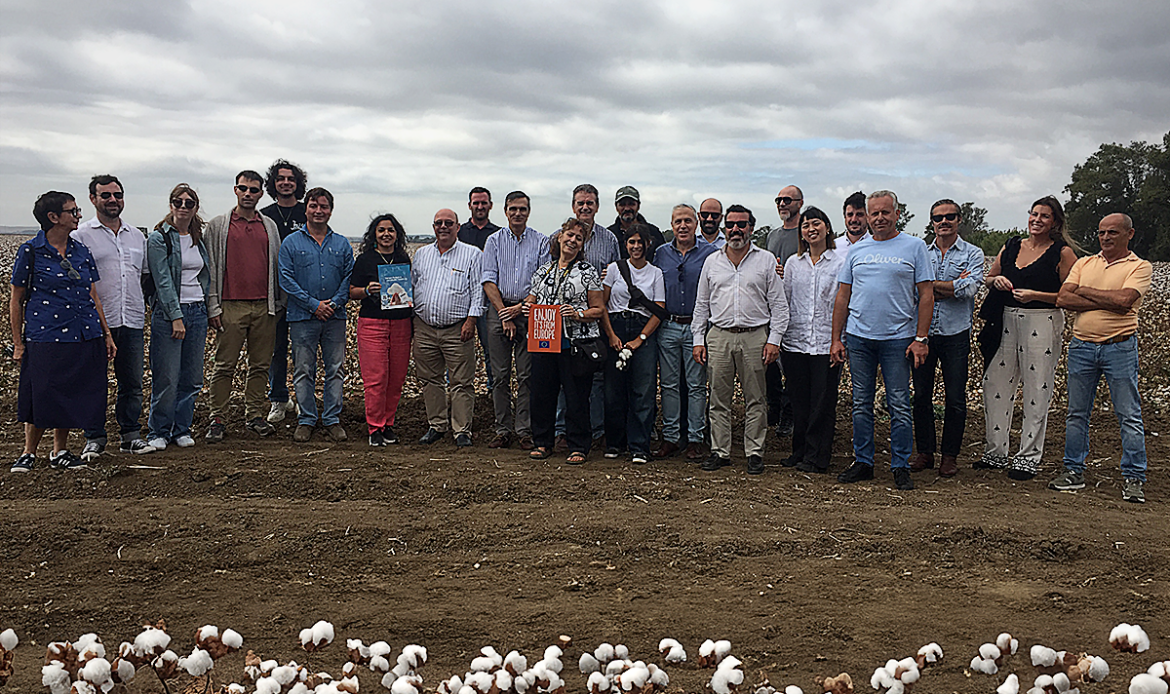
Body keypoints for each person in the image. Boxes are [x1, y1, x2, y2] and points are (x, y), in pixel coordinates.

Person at [830, 191, 934, 491]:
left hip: (897, 340)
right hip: (859, 338)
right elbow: (843, 296)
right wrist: (836, 339)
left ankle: (900, 465)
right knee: (861, 404)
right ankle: (863, 461)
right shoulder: (857, 251)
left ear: (897, 213)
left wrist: (921, 338)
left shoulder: (914, 247)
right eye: (873, 213)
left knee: (899, 404)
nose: (879, 218)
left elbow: (926, 296)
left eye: (884, 212)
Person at [10, 191, 116, 472]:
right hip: (45, 335)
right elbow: (16, 300)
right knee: (39, 393)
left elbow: (92, 294)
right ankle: (28, 453)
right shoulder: (31, 251)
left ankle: (61, 451)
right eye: (72, 211)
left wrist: (105, 333)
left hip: (83, 333)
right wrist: (18, 343)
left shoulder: (81, 251)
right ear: (53, 217)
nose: (77, 215)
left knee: (70, 392)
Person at [1049, 213, 1151, 503]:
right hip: (1082, 346)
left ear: (1129, 234)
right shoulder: (1085, 263)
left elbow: (1124, 302)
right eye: (1101, 232)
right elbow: (1063, 299)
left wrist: (1084, 291)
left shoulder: (1140, 267)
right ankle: (1073, 470)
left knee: (1128, 415)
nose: (1105, 238)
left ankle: (1134, 477)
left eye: (1113, 233)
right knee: (1076, 413)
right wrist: (1106, 298)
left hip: (1119, 347)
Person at [978, 195, 1078, 479]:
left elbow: (1069, 296)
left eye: (1044, 216)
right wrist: (995, 281)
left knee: (1037, 387)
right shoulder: (1012, 246)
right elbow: (988, 277)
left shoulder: (1062, 253)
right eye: (1034, 214)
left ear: (1055, 222)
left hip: (1042, 320)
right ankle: (995, 451)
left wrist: (1036, 295)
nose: (1037, 220)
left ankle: (1028, 456)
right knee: (995, 383)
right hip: (1005, 318)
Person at [693, 204, 789, 475]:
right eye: (731, 224)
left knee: (756, 398)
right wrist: (698, 338)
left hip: (755, 337)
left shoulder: (766, 260)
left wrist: (775, 340)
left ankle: (755, 452)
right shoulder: (712, 261)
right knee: (718, 399)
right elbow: (702, 304)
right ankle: (720, 452)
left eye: (742, 224)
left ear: (751, 228)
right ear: (725, 229)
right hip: (720, 336)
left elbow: (779, 306)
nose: (736, 229)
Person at [72, 174, 155, 459]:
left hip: (131, 319)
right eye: (105, 195)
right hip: (96, 322)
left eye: (117, 195)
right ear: (93, 199)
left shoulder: (136, 236)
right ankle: (94, 437)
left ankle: (130, 435)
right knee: (93, 383)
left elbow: (144, 277)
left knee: (131, 383)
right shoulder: (81, 236)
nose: (112, 200)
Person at [205, 170, 284, 442]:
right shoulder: (218, 226)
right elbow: (210, 268)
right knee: (224, 365)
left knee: (260, 365)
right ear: (235, 190)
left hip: (264, 306)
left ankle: (255, 415)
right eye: (243, 189)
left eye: (254, 190)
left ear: (261, 193)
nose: (248, 194)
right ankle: (218, 418)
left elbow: (277, 265)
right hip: (230, 305)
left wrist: (278, 301)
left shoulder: (269, 226)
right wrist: (213, 306)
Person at [909, 200, 985, 478]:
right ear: (931, 222)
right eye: (938, 217)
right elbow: (913, 290)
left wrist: (929, 287)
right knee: (921, 397)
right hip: (923, 335)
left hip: (955, 335)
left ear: (959, 220)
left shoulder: (973, 253)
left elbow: (970, 288)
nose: (944, 222)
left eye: (950, 216)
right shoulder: (920, 251)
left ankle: (949, 456)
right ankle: (925, 452)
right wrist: (948, 287)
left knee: (955, 399)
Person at [524, 218, 605, 464]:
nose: (572, 241)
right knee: (542, 394)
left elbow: (599, 309)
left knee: (576, 397)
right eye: (569, 235)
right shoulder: (543, 271)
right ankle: (542, 442)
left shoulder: (588, 272)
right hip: (544, 341)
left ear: (582, 246)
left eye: (578, 238)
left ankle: (578, 445)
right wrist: (527, 308)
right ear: (559, 237)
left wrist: (577, 314)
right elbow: (532, 298)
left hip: (575, 344)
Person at [278, 187, 354, 443]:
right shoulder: (291, 243)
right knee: (303, 370)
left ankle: (332, 419)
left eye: (324, 206)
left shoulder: (342, 243)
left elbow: (348, 277)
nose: (318, 211)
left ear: (330, 211)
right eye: (313, 206)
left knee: (335, 369)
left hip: (335, 317)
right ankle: (307, 419)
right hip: (302, 317)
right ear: (306, 209)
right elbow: (286, 279)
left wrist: (333, 303)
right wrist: (313, 305)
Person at [779, 206, 846, 473]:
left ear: (827, 228)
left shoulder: (840, 263)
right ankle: (800, 450)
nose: (811, 229)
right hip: (795, 342)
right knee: (799, 401)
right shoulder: (794, 264)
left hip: (825, 344)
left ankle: (818, 456)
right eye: (806, 226)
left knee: (823, 402)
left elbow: (844, 303)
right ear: (802, 233)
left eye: (816, 224)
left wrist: (838, 340)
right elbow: (786, 300)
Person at [144, 184, 210, 451]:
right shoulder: (159, 238)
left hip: (197, 310)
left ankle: (181, 428)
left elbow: (204, 275)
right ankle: (158, 430)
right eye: (178, 202)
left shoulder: (197, 238)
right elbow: (162, 281)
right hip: (170, 314)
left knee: (192, 377)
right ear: (170, 204)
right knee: (167, 377)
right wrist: (175, 316)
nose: (183, 207)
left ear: (195, 208)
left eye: (189, 203)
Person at [481, 191, 549, 450]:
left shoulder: (541, 242)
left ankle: (524, 429)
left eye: (522, 209)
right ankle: (502, 428)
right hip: (499, 311)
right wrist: (504, 313)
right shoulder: (494, 241)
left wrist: (519, 310)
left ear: (528, 212)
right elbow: (488, 279)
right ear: (505, 211)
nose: (517, 213)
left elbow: (543, 281)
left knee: (527, 374)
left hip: (530, 312)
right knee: (499, 375)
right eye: (513, 209)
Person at [555, 184, 620, 449]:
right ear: (573, 206)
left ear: (597, 206)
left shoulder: (609, 240)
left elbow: (617, 276)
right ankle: (562, 431)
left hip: (596, 318)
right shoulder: (558, 237)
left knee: (594, 376)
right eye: (580, 203)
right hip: (562, 321)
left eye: (590, 203)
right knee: (564, 378)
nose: (585, 207)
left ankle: (595, 431)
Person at [412, 208, 483, 447]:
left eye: (448, 223)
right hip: (424, 328)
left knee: (462, 381)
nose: (443, 227)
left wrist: (471, 320)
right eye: (438, 223)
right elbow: (412, 287)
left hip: (457, 329)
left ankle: (461, 430)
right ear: (433, 227)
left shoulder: (472, 254)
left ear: (458, 226)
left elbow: (477, 291)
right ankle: (437, 425)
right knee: (430, 379)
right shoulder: (421, 255)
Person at [652, 204, 716, 460]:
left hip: (697, 326)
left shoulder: (711, 254)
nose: (683, 226)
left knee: (696, 386)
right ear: (671, 224)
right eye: (678, 221)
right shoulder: (660, 254)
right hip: (667, 326)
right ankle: (670, 438)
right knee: (668, 385)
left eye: (688, 220)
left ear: (696, 224)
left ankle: (695, 439)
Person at [600, 225, 666, 463]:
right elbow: (602, 305)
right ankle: (615, 442)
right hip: (616, 326)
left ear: (648, 244)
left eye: (640, 242)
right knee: (613, 390)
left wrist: (640, 339)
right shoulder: (614, 270)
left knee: (643, 390)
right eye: (631, 242)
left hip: (643, 329)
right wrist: (610, 335)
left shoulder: (656, 273)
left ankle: (640, 445)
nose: (636, 247)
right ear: (625, 245)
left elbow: (658, 311)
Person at [350, 213, 413, 446]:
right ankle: (374, 427)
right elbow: (351, 291)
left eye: (391, 230)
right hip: (373, 323)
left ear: (397, 235)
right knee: (376, 378)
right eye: (381, 230)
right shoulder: (365, 260)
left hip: (401, 324)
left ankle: (388, 424)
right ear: (374, 235)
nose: (386, 234)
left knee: (396, 379)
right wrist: (367, 290)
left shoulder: (403, 258)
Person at [261, 159, 308, 425]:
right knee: (275, 350)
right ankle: (279, 399)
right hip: (274, 294)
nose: (286, 183)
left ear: (297, 183)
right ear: (274, 184)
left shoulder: (307, 213)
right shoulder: (265, 215)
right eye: (281, 179)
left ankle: (303, 399)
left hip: (303, 296)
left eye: (291, 179)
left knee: (304, 350)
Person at [765, 185, 803, 438]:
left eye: (787, 200)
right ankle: (775, 410)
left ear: (799, 203)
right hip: (770, 309)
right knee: (770, 367)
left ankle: (790, 415)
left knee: (791, 366)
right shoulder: (773, 235)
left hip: (797, 310)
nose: (782, 204)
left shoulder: (806, 233)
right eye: (778, 200)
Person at [458, 186, 501, 392]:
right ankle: (456, 389)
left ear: (490, 205)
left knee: (491, 350)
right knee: (458, 348)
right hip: (461, 302)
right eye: (476, 203)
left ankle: (493, 389)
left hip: (489, 301)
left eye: (484, 203)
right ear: (469, 206)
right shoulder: (459, 233)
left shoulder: (499, 234)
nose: (480, 206)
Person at [608, 186, 665, 258]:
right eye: (622, 204)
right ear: (616, 207)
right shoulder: (609, 235)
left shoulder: (653, 233)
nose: (627, 208)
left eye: (631, 204)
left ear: (638, 206)